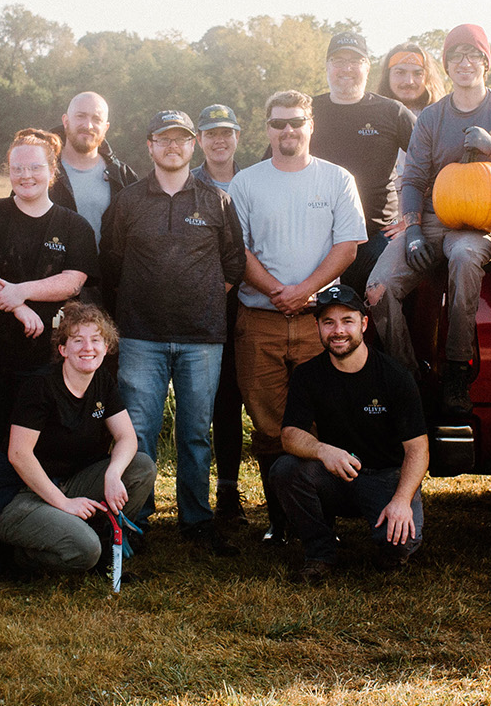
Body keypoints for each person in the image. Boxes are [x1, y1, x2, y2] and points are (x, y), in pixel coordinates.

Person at [366, 24, 491, 418]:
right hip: (429, 218)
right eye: (455, 56)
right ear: (446, 64)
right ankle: (409, 379)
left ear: (485, 62)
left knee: (463, 256)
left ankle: (457, 371)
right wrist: (410, 231)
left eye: (472, 55)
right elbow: (413, 179)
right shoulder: (431, 117)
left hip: (482, 222)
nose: (464, 63)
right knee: (378, 287)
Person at [101, 110, 245, 554]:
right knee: (138, 431)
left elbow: (233, 265)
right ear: (149, 145)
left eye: (181, 139)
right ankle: (136, 521)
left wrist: (195, 295)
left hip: (201, 337)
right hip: (140, 335)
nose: (172, 146)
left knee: (195, 432)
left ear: (192, 145)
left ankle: (196, 520)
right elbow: (111, 265)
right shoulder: (127, 201)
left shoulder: (215, 200)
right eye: (163, 139)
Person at [229, 90, 365, 543]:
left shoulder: (337, 179)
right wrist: (275, 291)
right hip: (260, 321)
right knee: (269, 426)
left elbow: (347, 246)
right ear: (266, 128)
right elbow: (238, 249)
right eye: (278, 123)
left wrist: (303, 293)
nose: (287, 131)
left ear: (311, 126)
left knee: (318, 423)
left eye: (296, 122)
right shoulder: (246, 183)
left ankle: (320, 521)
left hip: (318, 325)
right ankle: (281, 521)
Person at [0, 303, 157, 577]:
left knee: (141, 467)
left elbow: (126, 437)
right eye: (78, 339)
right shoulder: (40, 387)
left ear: (106, 347)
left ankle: (105, 547)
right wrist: (63, 503)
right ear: (63, 349)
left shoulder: (102, 381)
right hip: (20, 494)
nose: (88, 347)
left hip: (69, 484)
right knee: (84, 550)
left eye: (96, 339)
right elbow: (19, 454)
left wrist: (112, 474)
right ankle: (19, 555)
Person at [0, 129, 98, 473]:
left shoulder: (74, 226)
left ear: (53, 171)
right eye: (17, 168)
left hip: (43, 358)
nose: (25, 176)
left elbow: (73, 280)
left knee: (36, 439)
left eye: (35, 168)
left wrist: (23, 290)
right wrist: (18, 307)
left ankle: (36, 510)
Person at [272, 284, 427, 584]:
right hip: (336, 474)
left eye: (347, 321)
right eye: (328, 322)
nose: (338, 331)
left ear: (364, 324)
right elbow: (290, 434)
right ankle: (320, 553)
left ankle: (389, 537)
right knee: (286, 470)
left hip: (385, 476)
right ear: (317, 326)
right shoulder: (308, 375)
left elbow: (418, 450)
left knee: (399, 544)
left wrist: (401, 500)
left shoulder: (395, 376)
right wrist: (323, 451)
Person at [308, 33, 416, 294]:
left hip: (378, 235)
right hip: (318, 236)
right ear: (327, 67)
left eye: (355, 61)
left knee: (386, 302)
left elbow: (433, 159)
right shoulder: (307, 111)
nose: (346, 69)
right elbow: (275, 165)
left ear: (368, 67)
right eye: (338, 60)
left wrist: (413, 219)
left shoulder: (392, 112)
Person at [193, 102, 251, 524]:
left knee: (261, 396)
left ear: (237, 137)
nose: (219, 140)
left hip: (258, 298)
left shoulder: (255, 181)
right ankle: (226, 491)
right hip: (210, 303)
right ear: (199, 140)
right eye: (210, 133)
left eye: (225, 133)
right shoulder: (187, 183)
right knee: (223, 397)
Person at [48, 91, 138, 253]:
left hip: (107, 278)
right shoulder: (39, 171)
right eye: (81, 116)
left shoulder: (123, 177)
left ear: (106, 127)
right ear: (66, 121)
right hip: (52, 277)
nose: (88, 125)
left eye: (96, 119)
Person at [375, 43, 446, 115]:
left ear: (428, 78)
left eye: (418, 74)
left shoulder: (441, 118)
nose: (409, 81)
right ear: (387, 76)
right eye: (400, 73)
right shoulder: (373, 117)